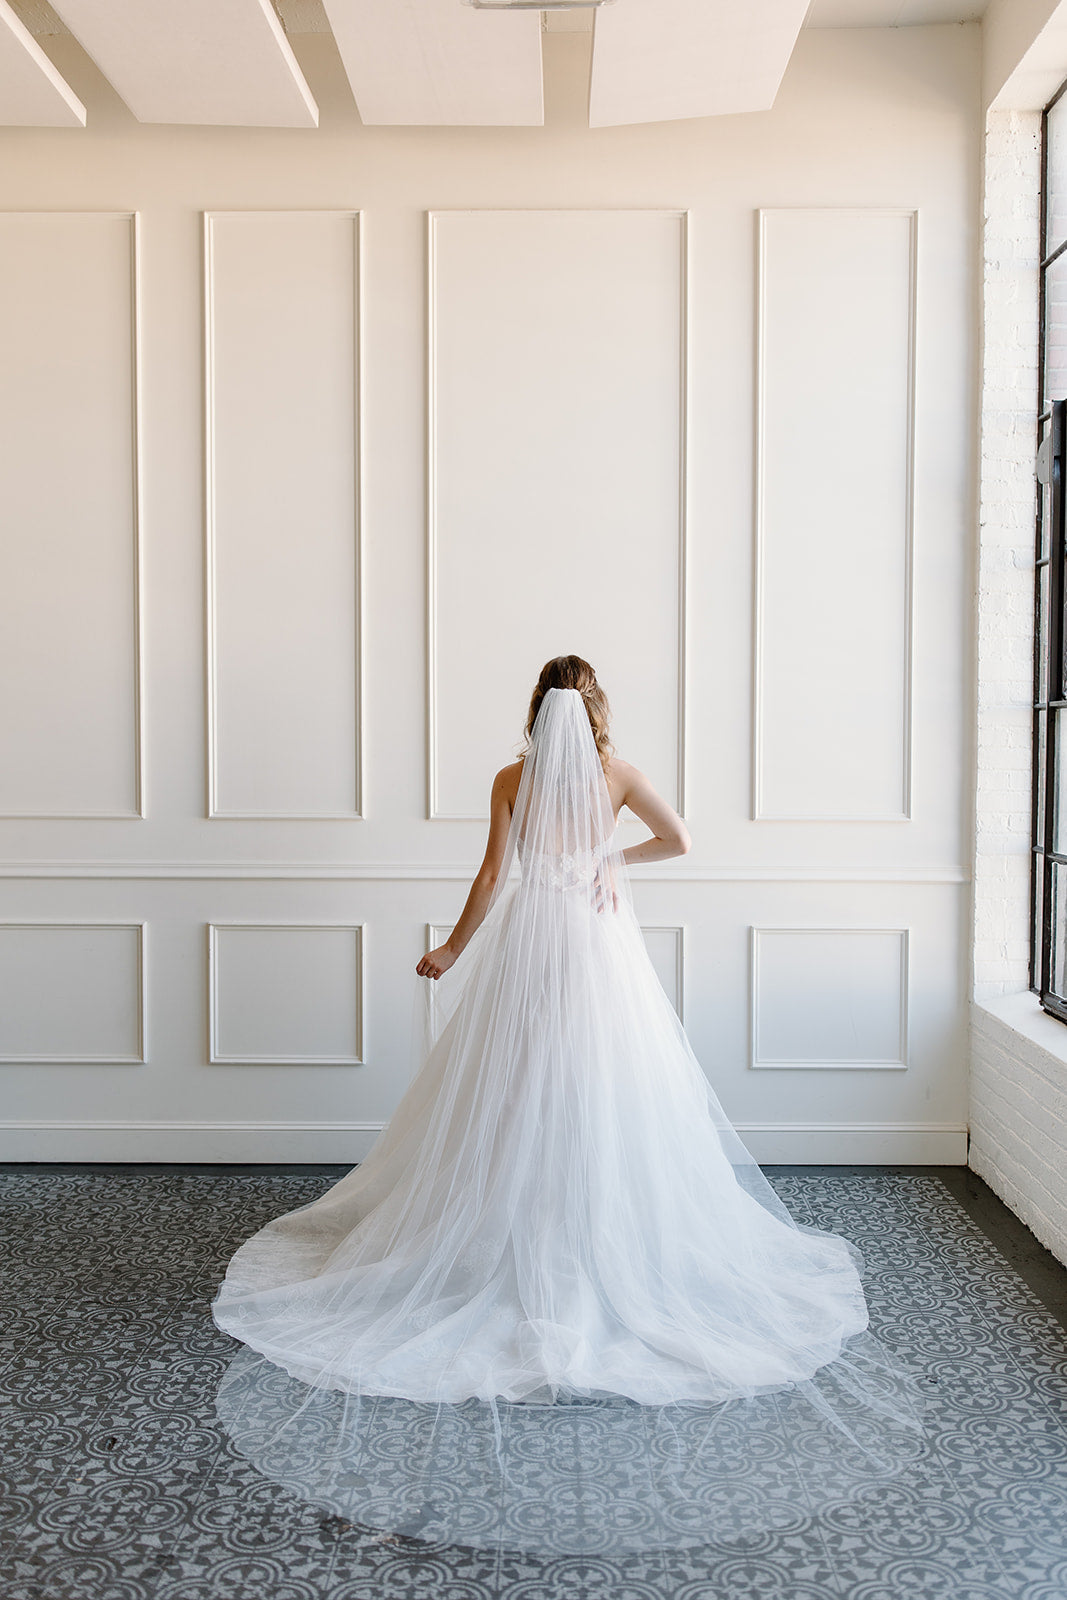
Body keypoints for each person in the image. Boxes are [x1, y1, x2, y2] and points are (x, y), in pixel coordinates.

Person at [211, 655, 921, 1553]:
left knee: (512, 1087)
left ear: (535, 708)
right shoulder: (618, 776)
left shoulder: (510, 778)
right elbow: (679, 840)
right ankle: (586, 1231)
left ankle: (504, 1232)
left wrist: (452, 951)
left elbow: (490, 877)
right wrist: (608, 860)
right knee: (597, 1081)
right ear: (592, 708)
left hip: (527, 947)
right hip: (593, 941)